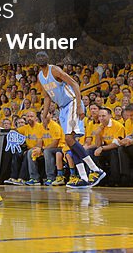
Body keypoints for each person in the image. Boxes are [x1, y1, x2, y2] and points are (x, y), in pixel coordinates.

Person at [36, 51, 105, 189]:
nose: (41, 58)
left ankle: (96, 170)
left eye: (43, 56)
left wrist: (79, 105)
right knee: (70, 142)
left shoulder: (54, 70)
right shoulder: (40, 77)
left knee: (69, 139)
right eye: (38, 57)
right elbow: (47, 97)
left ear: (47, 59)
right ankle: (84, 178)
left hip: (72, 103)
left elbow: (74, 84)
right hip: (62, 109)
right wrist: (44, 116)